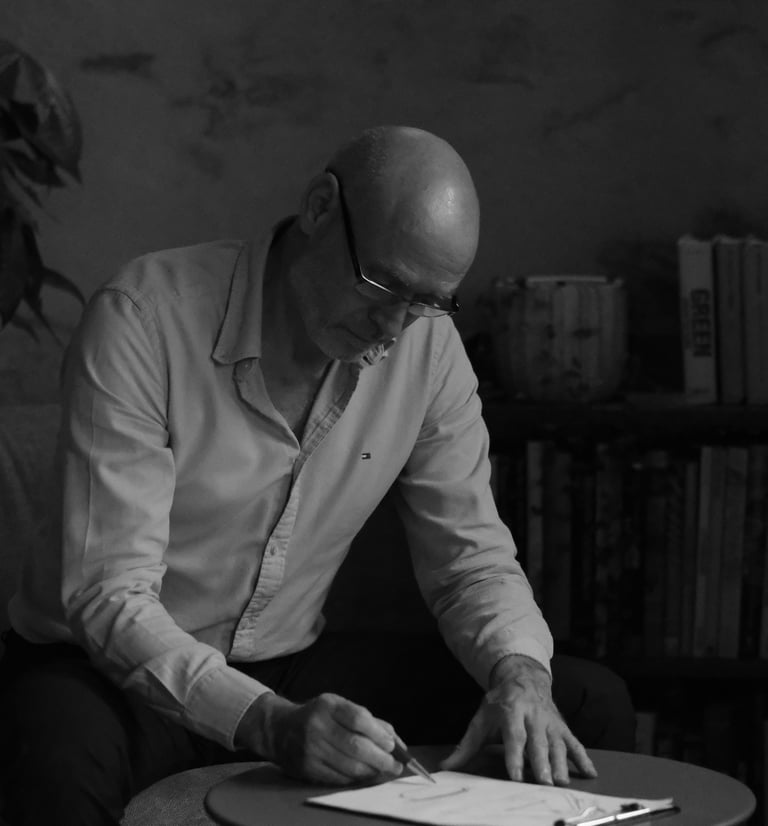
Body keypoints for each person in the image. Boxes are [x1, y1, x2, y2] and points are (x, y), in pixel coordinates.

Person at [0, 125, 634, 826]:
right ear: (320, 207)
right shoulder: (145, 317)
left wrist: (520, 676)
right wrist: (268, 724)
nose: (393, 327)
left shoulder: (427, 349)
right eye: (383, 284)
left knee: (581, 702)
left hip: (287, 666)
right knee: (55, 753)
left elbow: (471, 564)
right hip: (106, 673)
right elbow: (109, 597)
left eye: (427, 301)